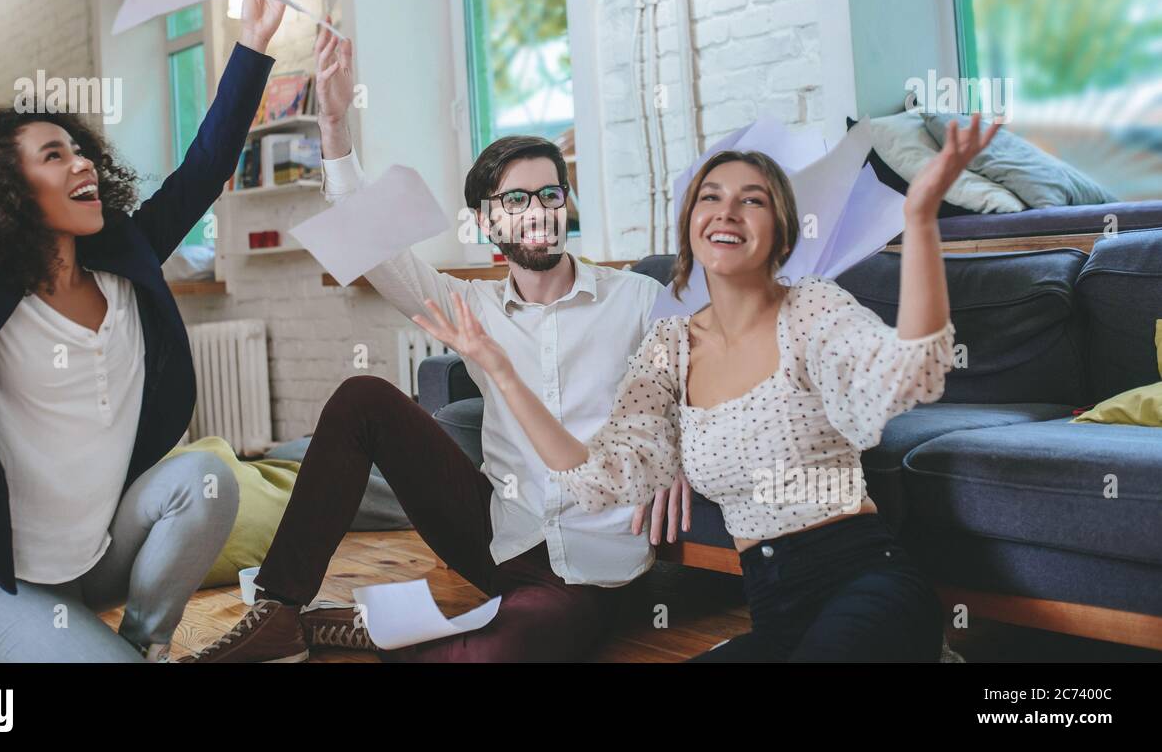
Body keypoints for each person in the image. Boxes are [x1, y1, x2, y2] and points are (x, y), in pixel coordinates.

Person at [188, 19, 686, 663]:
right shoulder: (469, 306)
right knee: (364, 397)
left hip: (587, 564)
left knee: (499, 651)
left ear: (567, 203)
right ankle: (282, 610)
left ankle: (405, 635)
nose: (536, 210)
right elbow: (373, 247)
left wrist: (677, 447)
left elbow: (704, 380)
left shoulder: (636, 299)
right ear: (485, 222)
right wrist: (334, 127)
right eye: (515, 200)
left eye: (549, 193)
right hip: (499, 533)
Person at [411, 117, 998, 661]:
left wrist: (920, 220)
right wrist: (504, 374)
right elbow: (597, 474)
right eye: (711, 197)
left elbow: (915, 369)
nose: (728, 211)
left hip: (864, 577)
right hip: (774, 611)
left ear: (782, 229)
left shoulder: (811, 309)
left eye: (752, 199)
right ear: (690, 226)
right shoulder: (668, 345)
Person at [0, 0, 301, 661]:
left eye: (80, 149)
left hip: (98, 559)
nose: (83, 162)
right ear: (6, 189)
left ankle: (142, 643)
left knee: (209, 478)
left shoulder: (125, 259)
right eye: (54, 156)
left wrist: (253, 43)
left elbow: (202, 172)